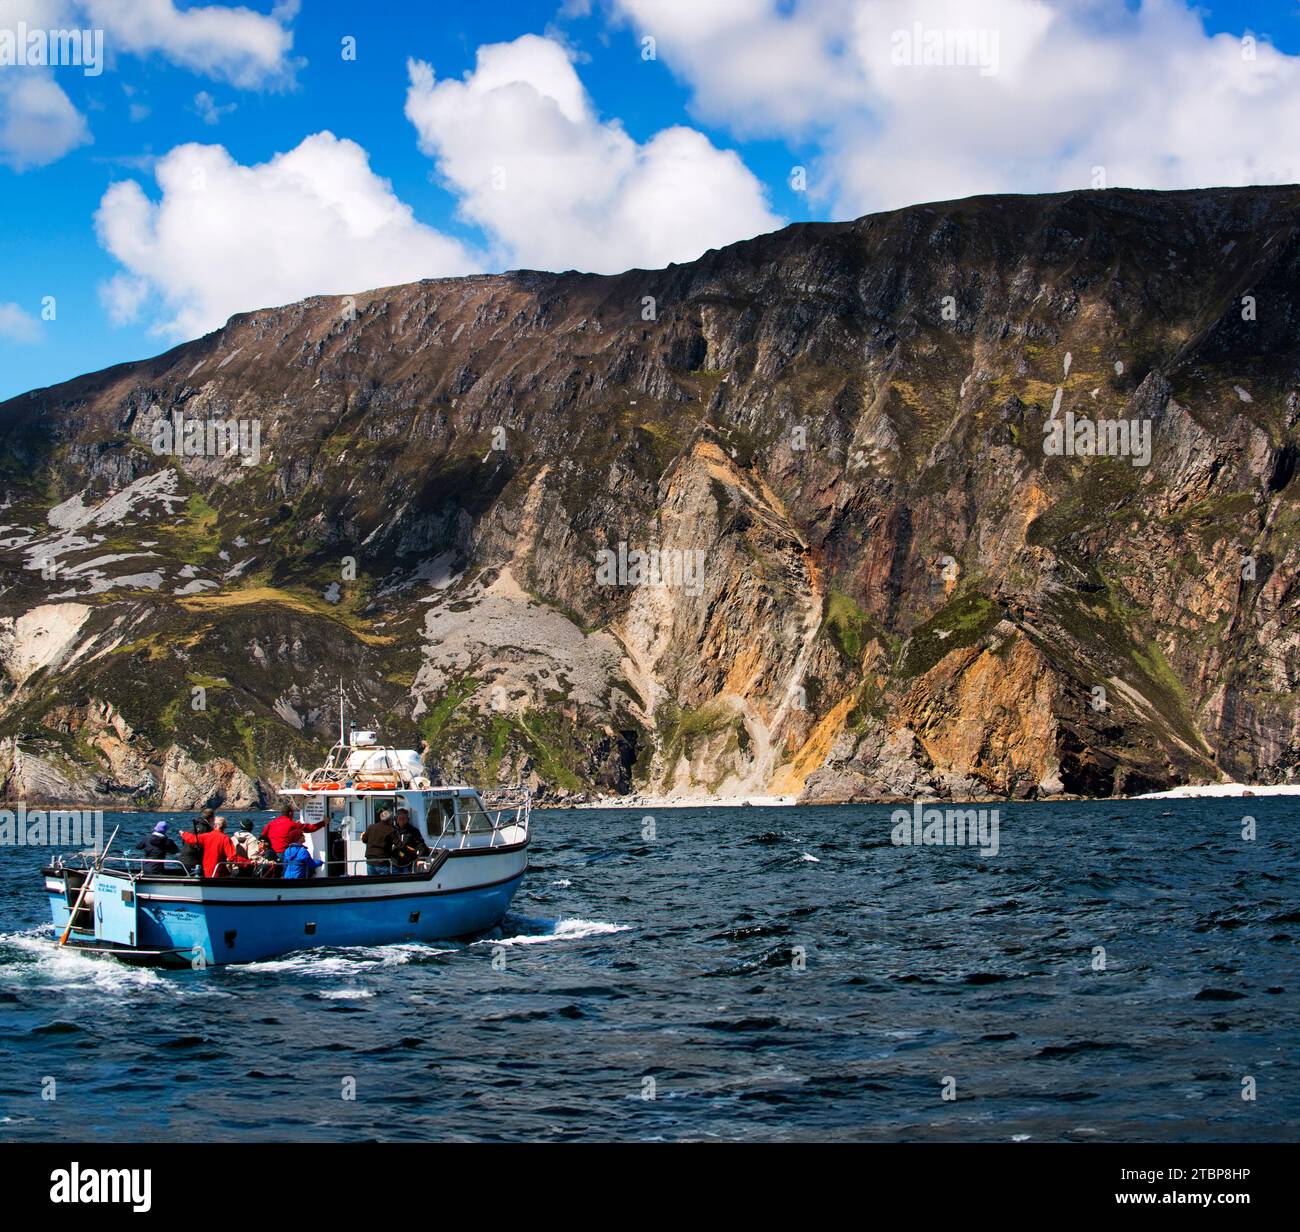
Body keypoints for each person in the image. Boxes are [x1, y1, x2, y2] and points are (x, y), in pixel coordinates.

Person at [260, 807, 326, 856]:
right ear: (290, 813)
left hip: (271, 852)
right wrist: (323, 823)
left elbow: (262, 837)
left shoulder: (271, 823)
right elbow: (309, 828)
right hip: (283, 852)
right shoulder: (292, 824)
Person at [390, 808, 429, 874]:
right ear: (396, 819)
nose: (402, 821)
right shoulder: (392, 830)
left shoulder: (413, 831)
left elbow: (421, 845)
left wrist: (421, 859)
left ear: (408, 819)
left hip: (407, 863)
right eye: (400, 818)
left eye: (404, 818)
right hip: (394, 863)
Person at [361, 808, 396, 876]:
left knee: (372, 884)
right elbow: (399, 844)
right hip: (382, 862)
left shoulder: (371, 827)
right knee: (384, 885)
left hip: (370, 861)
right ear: (389, 820)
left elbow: (364, 839)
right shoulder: (391, 830)